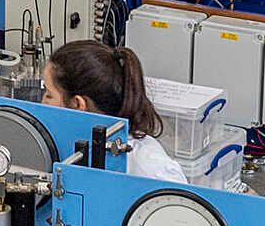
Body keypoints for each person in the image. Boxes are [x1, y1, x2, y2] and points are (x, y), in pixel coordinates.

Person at [44, 39, 191, 181]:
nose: (42, 102)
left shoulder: (152, 169)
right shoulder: (68, 143)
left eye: (49, 94)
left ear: (78, 105)